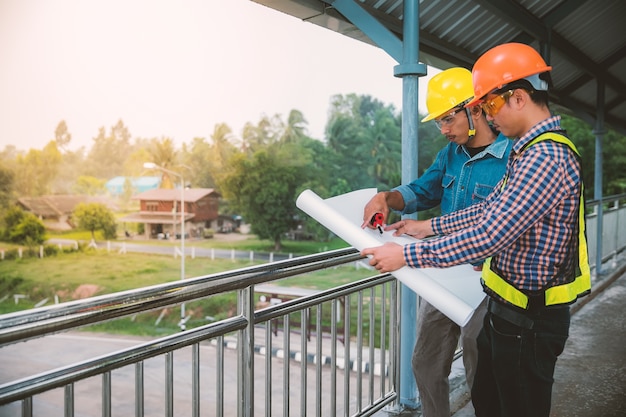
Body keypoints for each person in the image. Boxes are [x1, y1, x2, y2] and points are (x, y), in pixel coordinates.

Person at [361, 43, 591, 417]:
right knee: (490, 397)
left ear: (518, 98)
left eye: (490, 105)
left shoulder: (544, 158)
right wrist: (426, 225)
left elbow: (489, 234)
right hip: (510, 307)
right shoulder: (526, 152)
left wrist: (405, 254)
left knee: (511, 400)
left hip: (528, 314)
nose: (489, 115)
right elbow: (487, 210)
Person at [361, 67, 512, 417]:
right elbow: (421, 190)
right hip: (443, 271)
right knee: (425, 363)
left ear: (474, 109)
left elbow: (498, 224)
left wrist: (424, 232)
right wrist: (387, 197)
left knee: (480, 364)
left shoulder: (513, 157)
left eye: (447, 119)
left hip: (489, 280)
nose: (443, 129)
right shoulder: (450, 155)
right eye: (438, 123)